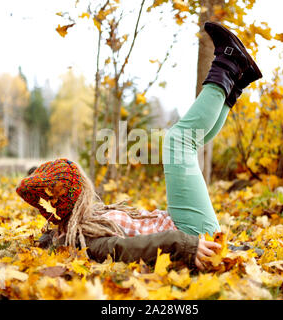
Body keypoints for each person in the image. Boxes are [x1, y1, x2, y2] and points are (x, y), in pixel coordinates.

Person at [16, 22, 263, 270]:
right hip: (191, 235)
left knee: (189, 140)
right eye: (78, 184)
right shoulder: (82, 237)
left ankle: (237, 80)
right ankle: (228, 62)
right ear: (72, 196)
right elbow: (127, 249)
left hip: (185, 227)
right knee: (178, 141)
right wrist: (186, 246)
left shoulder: (78, 221)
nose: (85, 186)